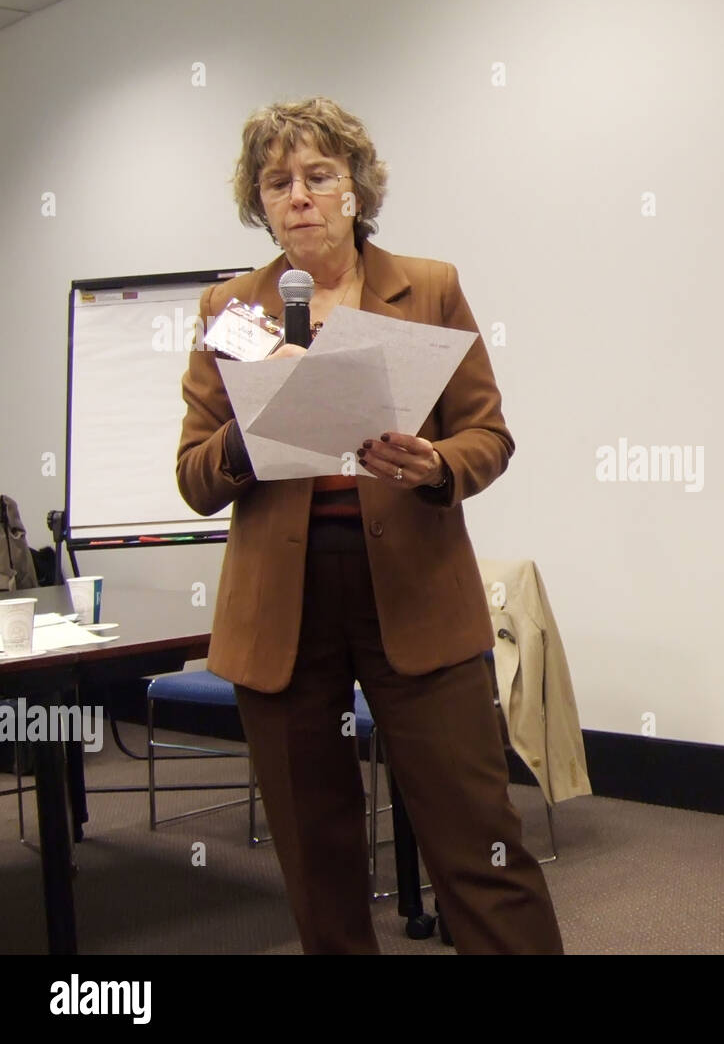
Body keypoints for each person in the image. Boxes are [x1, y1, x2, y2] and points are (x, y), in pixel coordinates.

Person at [176, 97, 563, 954]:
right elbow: (194, 477)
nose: (300, 196)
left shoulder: (426, 288)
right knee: (319, 861)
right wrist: (251, 427)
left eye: (319, 175)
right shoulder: (228, 309)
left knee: (479, 842)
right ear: (260, 202)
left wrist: (436, 466)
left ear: (356, 188)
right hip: (282, 605)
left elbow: (489, 436)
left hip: (416, 590)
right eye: (278, 182)